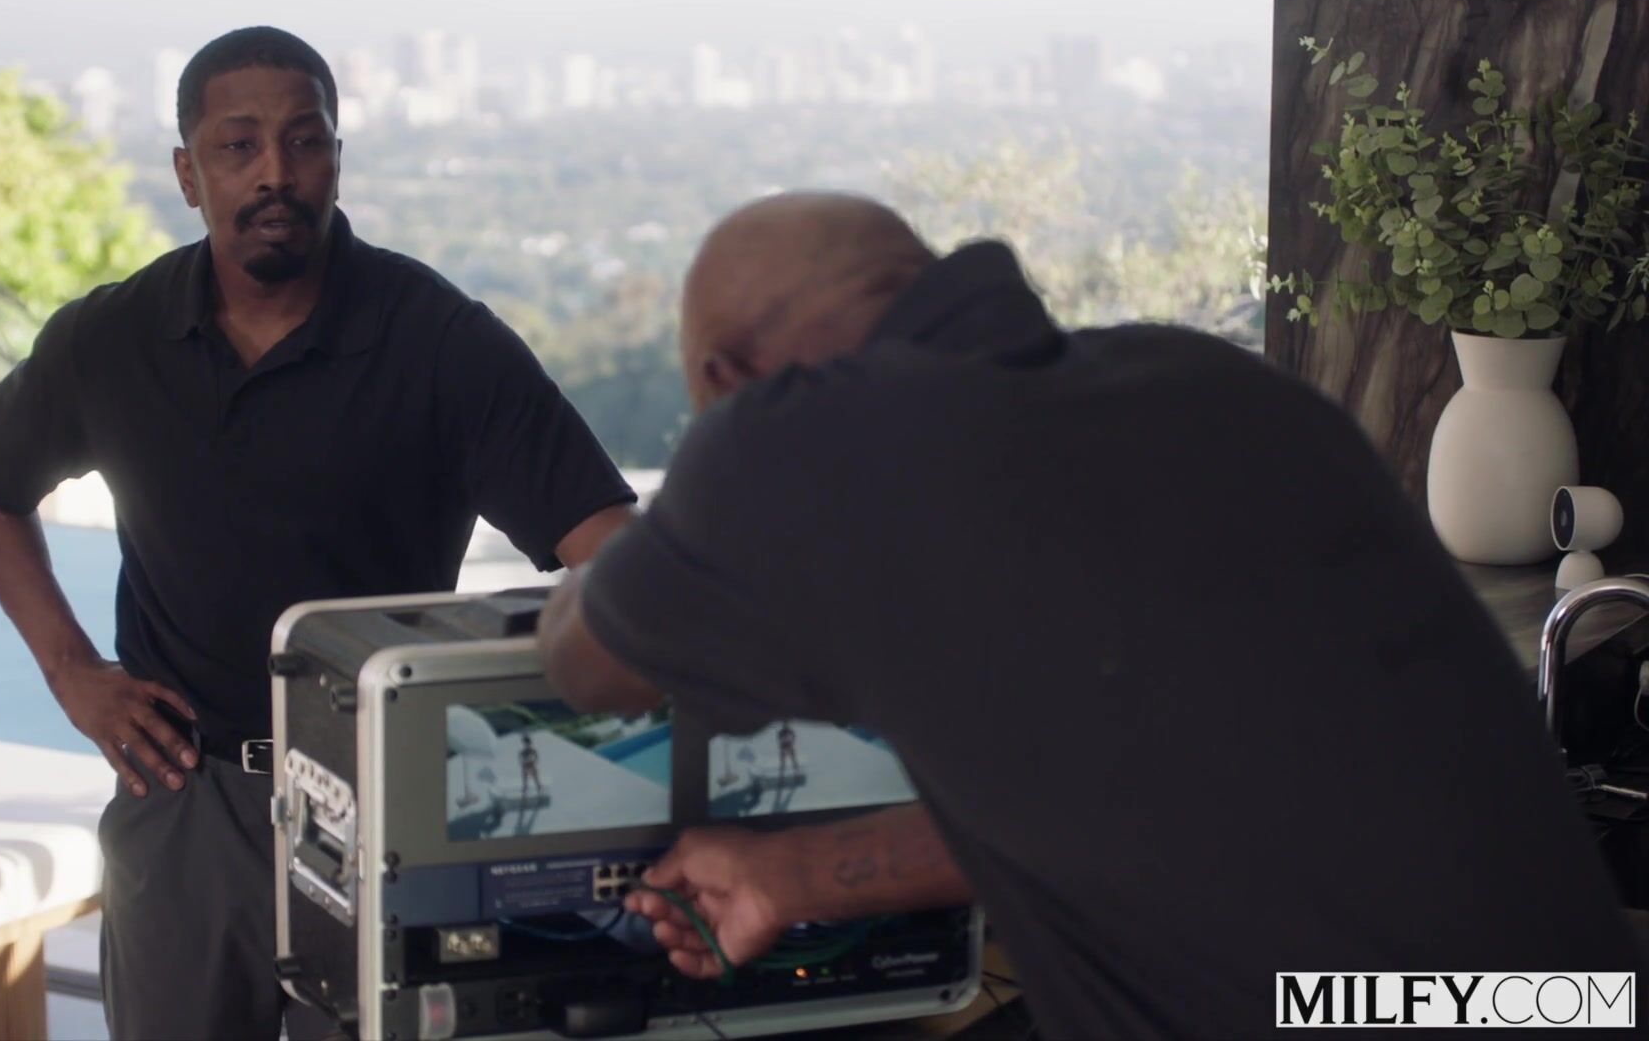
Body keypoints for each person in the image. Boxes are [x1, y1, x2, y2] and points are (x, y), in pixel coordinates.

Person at [537, 192, 1639, 1038]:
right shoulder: (1224, 388)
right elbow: (1148, 798)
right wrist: (797, 876)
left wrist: (704, 507)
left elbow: (588, 662)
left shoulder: (807, 448)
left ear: (731, 379)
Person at [0, 26, 635, 1040]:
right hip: (185, 797)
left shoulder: (442, 343)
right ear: (188, 173)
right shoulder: (114, 336)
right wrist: (69, 669)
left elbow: (611, 551)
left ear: (336, 158)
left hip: (388, 805)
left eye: (304, 142)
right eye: (238, 146)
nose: (275, 172)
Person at [520, 732, 544, 796]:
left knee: (536, 778)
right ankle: (525, 791)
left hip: (532, 765)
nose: (527, 745)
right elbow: (521, 760)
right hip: (525, 766)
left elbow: (537, 757)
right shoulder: (522, 751)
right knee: (525, 780)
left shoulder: (533, 750)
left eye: (528, 744)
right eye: (525, 744)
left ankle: (539, 789)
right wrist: (524, 764)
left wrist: (533, 761)